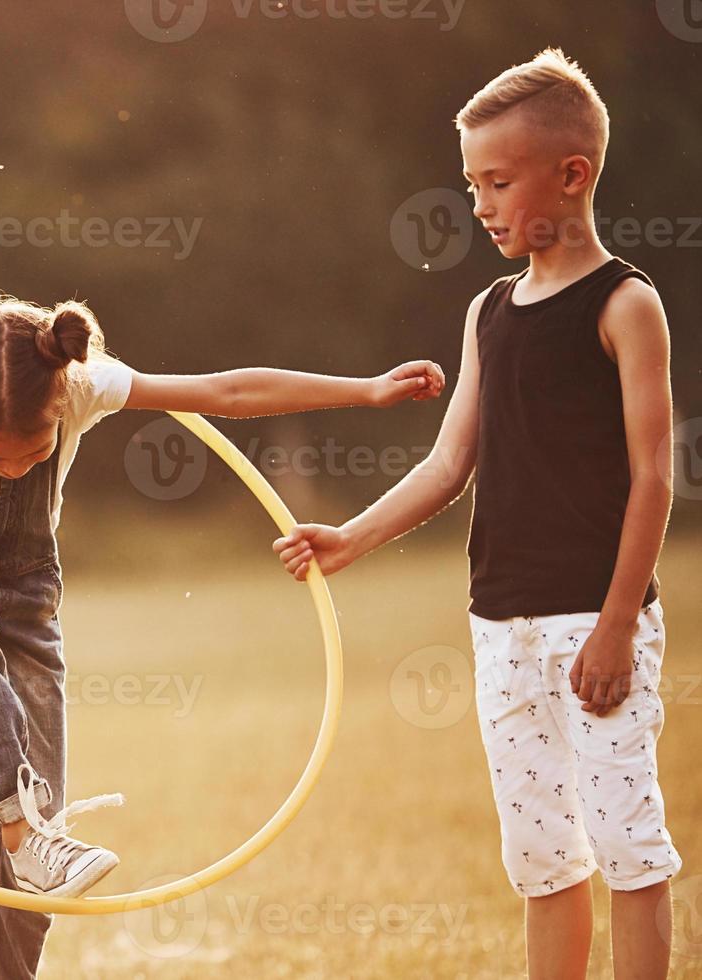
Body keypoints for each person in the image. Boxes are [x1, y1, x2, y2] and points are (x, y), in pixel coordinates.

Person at [0, 291, 444, 979]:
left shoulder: (81, 385)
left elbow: (229, 389)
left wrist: (367, 391)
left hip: (26, 614)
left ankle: (17, 917)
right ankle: (16, 821)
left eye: (32, 452)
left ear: (62, 403)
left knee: (47, 847)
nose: (13, 467)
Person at [273, 49, 680, 979]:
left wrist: (617, 626)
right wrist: (353, 536)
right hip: (501, 625)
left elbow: (654, 478)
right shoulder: (489, 310)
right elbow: (448, 463)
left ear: (571, 175)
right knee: (543, 863)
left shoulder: (626, 306)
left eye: (497, 181)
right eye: (472, 184)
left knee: (627, 845)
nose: (481, 204)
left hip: (596, 620)